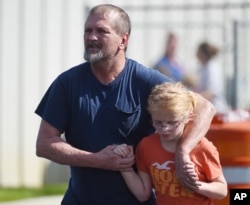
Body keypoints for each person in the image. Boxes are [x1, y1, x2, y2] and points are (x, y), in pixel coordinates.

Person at [35, 4, 215, 205]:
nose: (91, 37)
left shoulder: (146, 81)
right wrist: (97, 160)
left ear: (123, 40)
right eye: (88, 30)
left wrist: (182, 152)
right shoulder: (67, 83)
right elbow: (44, 144)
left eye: (101, 31)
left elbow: (205, 108)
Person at [114, 82, 227, 205]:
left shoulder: (203, 147)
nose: (165, 128)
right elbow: (143, 194)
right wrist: (125, 166)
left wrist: (195, 185)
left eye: (172, 122)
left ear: (187, 117)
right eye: (158, 122)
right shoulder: (146, 146)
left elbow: (222, 190)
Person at [194, 41, 230, 113]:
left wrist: (193, 100)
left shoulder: (212, 68)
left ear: (203, 53)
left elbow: (211, 93)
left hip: (216, 108)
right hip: (205, 108)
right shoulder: (201, 68)